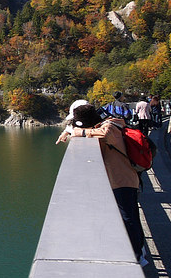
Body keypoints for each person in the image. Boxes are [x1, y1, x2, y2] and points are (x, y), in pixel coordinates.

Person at [58, 101, 147, 265]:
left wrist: (80, 133)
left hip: (123, 180)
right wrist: (69, 131)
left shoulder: (109, 126)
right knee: (130, 215)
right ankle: (138, 250)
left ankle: (137, 255)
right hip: (121, 177)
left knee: (128, 217)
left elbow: (105, 134)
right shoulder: (107, 123)